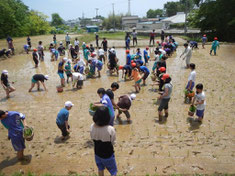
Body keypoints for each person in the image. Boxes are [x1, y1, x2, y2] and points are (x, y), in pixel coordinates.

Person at [90, 106, 117, 176]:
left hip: (97, 153)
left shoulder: (92, 126)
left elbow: (92, 137)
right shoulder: (110, 129)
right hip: (108, 154)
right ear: (107, 117)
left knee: (100, 168)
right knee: (113, 171)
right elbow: (113, 142)